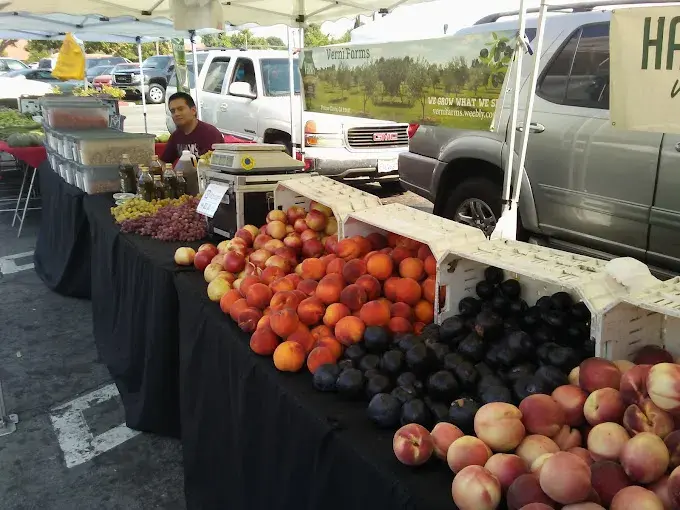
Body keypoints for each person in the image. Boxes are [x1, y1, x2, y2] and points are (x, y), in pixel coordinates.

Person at [161, 92, 224, 164]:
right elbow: (163, 162)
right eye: (173, 111)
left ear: (193, 110)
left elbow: (214, 166)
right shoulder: (176, 136)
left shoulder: (210, 134)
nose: (176, 114)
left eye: (180, 109)